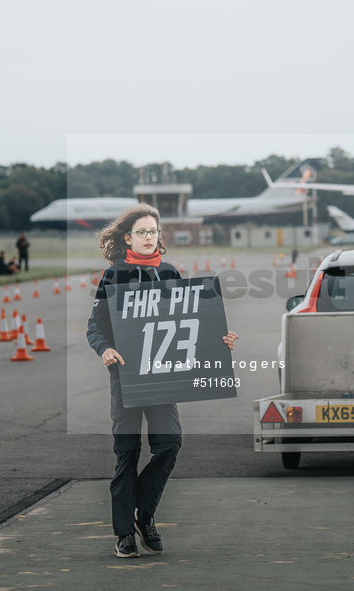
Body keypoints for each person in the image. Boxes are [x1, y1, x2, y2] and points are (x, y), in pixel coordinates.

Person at [86, 204, 239, 559]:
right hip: (126, 378)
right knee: (127, 454)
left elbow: (189, 323)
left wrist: (220, 339)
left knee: (169, 444)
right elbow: (95, 327)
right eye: (141, 232)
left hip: (163, 377)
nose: (148, 237)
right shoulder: (114, 276)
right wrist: (105, 349)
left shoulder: (169, 272)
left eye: (152, 231)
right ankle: (124, 533)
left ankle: (144, 514)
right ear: (127, 237)